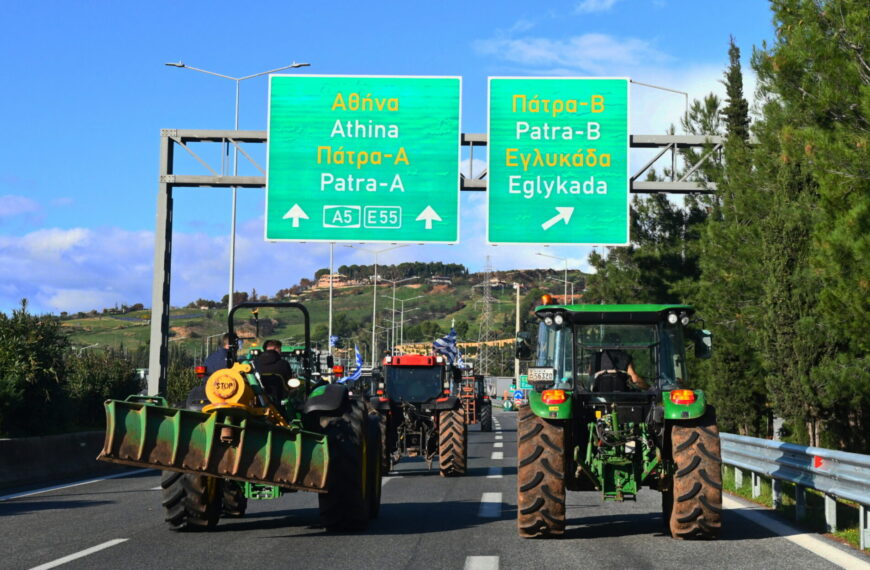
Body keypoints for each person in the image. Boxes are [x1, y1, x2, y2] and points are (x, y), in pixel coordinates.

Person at [253, 339, 293, 403]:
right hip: (281, 397)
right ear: (275, 349)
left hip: (260, 398)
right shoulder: (283, 364)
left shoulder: (255, 363)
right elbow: (289, 380)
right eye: (280, 349)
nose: (281, 352)